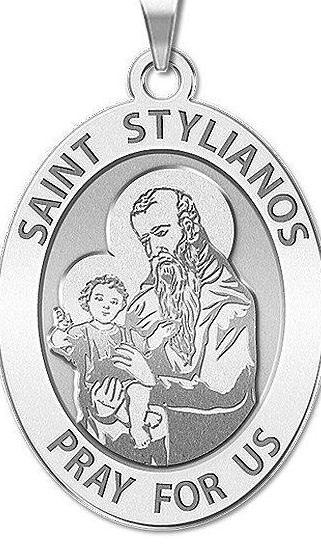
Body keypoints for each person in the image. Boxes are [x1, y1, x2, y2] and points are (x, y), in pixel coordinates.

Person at [92, 187, 257, 465]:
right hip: (148, 457)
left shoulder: (231, 305)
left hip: (215, 455)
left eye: (160, 233)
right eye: (145, 240)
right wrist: (106, 407)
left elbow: (224, 392)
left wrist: (151, 382)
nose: (153, 251)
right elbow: (119, 369)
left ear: (189, 229)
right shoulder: (146, 302)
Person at [49, 274, 170, 463]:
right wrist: (60, 332)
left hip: (126, 383)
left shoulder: (125, 333)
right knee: (111, 398)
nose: (106, 306)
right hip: (96, 388)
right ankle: (138, 418)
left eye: (113, 302)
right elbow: (61, 343)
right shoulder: (82, 332)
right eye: (99, 299)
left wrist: (159, 335)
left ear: (121, 305)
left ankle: (136, 426)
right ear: (87, 302)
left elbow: (145, 345)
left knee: (138, 390)